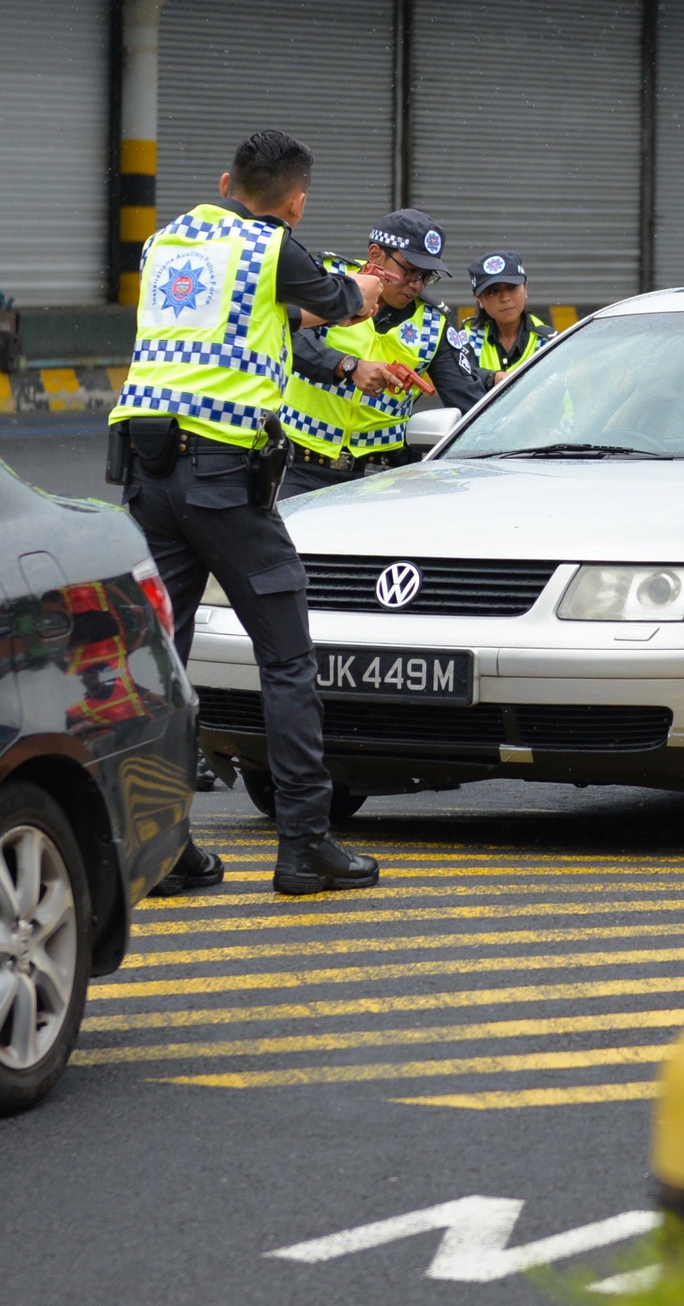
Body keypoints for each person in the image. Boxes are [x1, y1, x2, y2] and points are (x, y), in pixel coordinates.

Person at [107, 129, 383, 896]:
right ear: (295, 203)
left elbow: (241, 324)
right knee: (287, 659)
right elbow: (345, 302)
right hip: (224, 481)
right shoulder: (272, 247)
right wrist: (370, 284)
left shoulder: (166, 243)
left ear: (225, 180)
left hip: (147, 476)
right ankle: (304, 844)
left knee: (159, 663)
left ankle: (158, 847)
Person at [277, 208, 487, 498]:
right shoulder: (328, 280)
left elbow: (469, 402)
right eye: (409, 271)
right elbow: (284, 333)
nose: (416, 284)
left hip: (382, 479)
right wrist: (348, 365)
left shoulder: (434, 322)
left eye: (427, 277)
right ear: (375, 255)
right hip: (296, 466)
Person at [464, 251, 557, 390]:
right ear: (479, 298)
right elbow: (459, 379)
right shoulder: (468, 336)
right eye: (493, 291)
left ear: (525, 288)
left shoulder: (548, 341)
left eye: (512, 287)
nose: (505, 298)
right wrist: (492, 378)